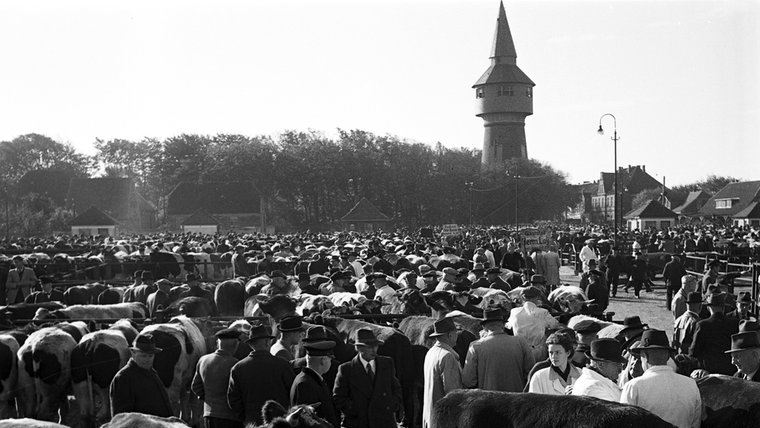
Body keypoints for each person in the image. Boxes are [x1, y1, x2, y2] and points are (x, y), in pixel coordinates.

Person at [621, 330, 702, 428]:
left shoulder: (633, 387)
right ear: (668, 357)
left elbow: (624, 423)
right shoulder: (691, 384)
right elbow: (695, 423)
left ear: (644, 356)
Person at [333, 328, 404, 428]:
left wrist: (392, 405)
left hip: (385, 422)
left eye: (376, 346)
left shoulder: (387, 363)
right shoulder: (346, 370)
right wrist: (356, 410)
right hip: (360, 423)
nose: (374, 350)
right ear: (359, 348)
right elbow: (338, 398)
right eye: (369, 347)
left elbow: (396, 388)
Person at [227, 325, 295, 426]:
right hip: (279, 422)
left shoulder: (238, 368)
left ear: (250, 345)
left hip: (252, 423)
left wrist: (246, 417)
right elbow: (293, 393)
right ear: (268, 342)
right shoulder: (283, 365)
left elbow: (233, 399)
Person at [463, 308, 535, 392]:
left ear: (484, 327)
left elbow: (468, 381)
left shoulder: (475, 346)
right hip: (517, 399)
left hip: (488, 400)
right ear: (503, 325)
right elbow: (531, 372)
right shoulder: (520, 342)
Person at [110, 334, 174, 418]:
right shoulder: (123, 378)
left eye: (150, 356)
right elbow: (122, 419)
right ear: (133, 353)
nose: (147, 359)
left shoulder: (152, 373)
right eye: (143, 356)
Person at [191, 328, 243, 428]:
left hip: (209, 415)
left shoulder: (203, 360)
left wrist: (208, 400)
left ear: (218, 343)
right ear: (236, 344)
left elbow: (195, 386)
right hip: (230, 418)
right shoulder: (236, 364)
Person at [290, 326, 339, 427]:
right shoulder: (305, 384)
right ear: (322, 360)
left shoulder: (312, 379)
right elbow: (307, 423)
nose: (331, 362)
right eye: (329, 359)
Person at [422, 318, 462, 428]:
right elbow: (453, 393)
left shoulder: (430, 352)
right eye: (456, 333)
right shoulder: (447, 356)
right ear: (450, 335)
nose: (457, 336)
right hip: (444, 418)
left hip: (431, 415)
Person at [689, 292, 740, 375]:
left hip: (709, 371)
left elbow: (693, 352)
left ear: (709, 308)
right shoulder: (735, 324)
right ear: (723, 308)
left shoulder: (702, 325)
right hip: (730, 370)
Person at [507, 286, 559, 361]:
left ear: (523, 298)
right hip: (538, 352)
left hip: (520, 350)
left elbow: (508, 326)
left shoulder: (514, 312)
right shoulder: (543, 312)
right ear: (537, 297)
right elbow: (555, 325)